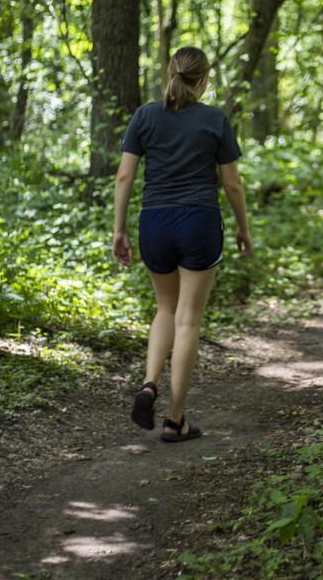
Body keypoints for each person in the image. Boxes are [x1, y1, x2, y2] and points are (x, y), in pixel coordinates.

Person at [112, 47, 252, 442]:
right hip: (198, 220)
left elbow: (124, 178)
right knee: (188, 318)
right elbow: (232, 183)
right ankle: (175, 421)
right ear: (204, 78)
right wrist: (243, 228)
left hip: (154, 221)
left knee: (164, 309)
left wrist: (119, 230)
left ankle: (149, 383)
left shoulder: (145, 115)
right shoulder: (215, 119)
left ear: (169, 72)